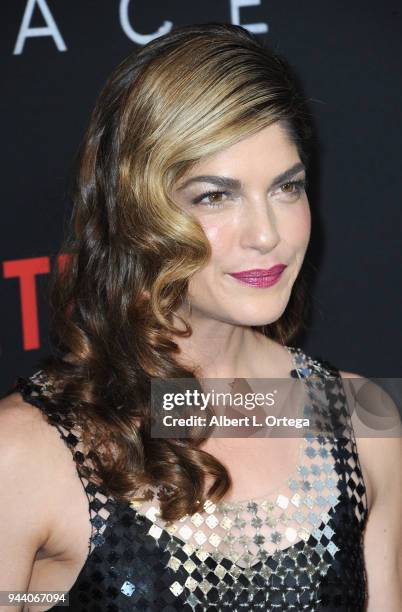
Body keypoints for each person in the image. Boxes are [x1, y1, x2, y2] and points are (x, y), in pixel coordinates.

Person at [0, 22, 401, 612]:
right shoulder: (28, 453)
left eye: (287, 188)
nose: (268, 235)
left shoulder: (362, 421)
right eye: (216, 195)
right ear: (135, 208)